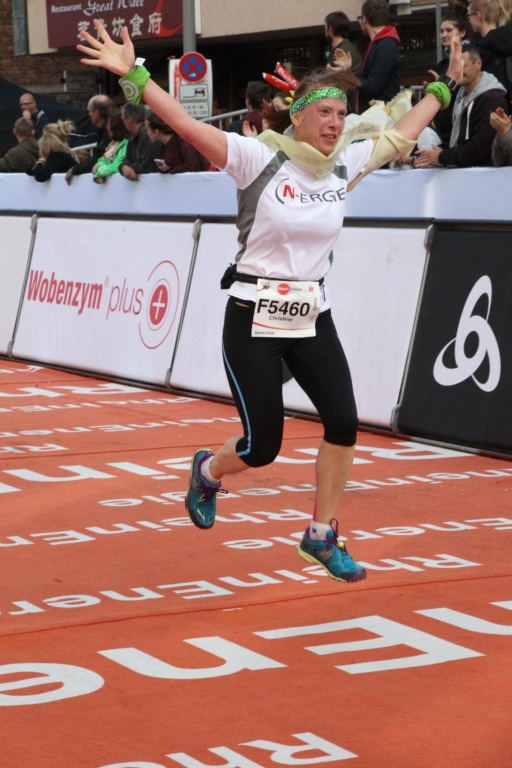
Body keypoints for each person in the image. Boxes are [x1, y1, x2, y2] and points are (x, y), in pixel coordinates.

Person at [78, 20, 462, 584]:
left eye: (342, 114)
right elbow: (184, 123)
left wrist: (442, 91)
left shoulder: (344, 163)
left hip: (312, 315)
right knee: (262, 448)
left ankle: (321, 535)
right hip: (253, 317)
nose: (335, 124)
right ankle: (208, 472)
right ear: (299, 115)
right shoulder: (255, 157)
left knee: (344, 423)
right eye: (324, 113)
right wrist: (134, 75)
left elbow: (400, 135)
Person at [415, 42, 508, 167]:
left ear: (478, 63)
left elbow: (481, 147)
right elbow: (455, 141)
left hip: (484, 174)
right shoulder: (459, 97)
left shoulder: (492, 99)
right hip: (463, 172)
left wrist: (442, 156)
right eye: (454, 67)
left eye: (463, 66)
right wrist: (426, 156)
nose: (458, 71)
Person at [333, 0, 401, 114]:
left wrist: (347, 75)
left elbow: (373, 86)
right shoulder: (379, 44)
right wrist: (349, 70)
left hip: (381, 117)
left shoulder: (385, 45)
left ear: (364, 19)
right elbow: (370, 81)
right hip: (376, 115)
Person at [427, 13, 472, 147]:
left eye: (449, 30)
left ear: (462, 33)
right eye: (441, 31)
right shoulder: (443, 63)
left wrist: (445, 85)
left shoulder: (469, 58)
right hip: (443, 128)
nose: (444, 35)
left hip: (458, 127)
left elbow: (464, 89)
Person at [66, 94, 114, 184]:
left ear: (96, 113)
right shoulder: (103, 131)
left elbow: (97, 160)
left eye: (88, 111)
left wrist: (74, 170)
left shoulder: (110, 132)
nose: (88, 114)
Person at [468, 0, 512, 95]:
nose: (469, 20)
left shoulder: (480, 50)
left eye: (469, 16)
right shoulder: (507, 38)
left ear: (479, 15)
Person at [118, 102, 160, 180]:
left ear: (129, 120)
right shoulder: (133, 135)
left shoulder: (146, 134)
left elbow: (148, 165)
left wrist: (129, 167)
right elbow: (128, 158)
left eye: (123, 119)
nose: (123, 123)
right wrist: (123, 167)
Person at [92, 110, 129, 183]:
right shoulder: (112, 144)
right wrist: (98, 166)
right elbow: (103, 159)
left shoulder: (127, 143)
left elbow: (119, 165)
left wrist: (100, 170)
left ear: (116, 127)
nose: (107, 127)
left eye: (109, 124)